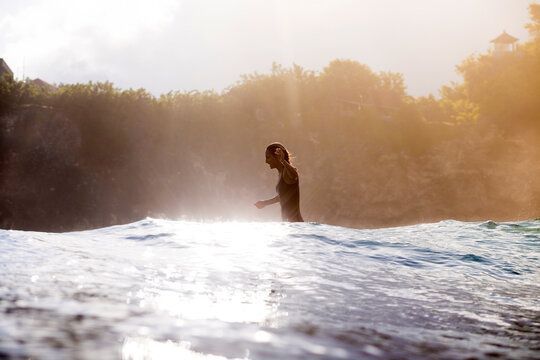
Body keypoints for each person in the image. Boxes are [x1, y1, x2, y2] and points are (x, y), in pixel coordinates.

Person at [254, 142, 304, 222]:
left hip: (295, 224)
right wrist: (265, 203)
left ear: (276, 157)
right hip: (288, 225)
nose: (266, 161)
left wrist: (283, 161)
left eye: (268, 157)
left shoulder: (287, 173)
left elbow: (294, 176)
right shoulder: (281, 174)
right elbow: (283, 196)